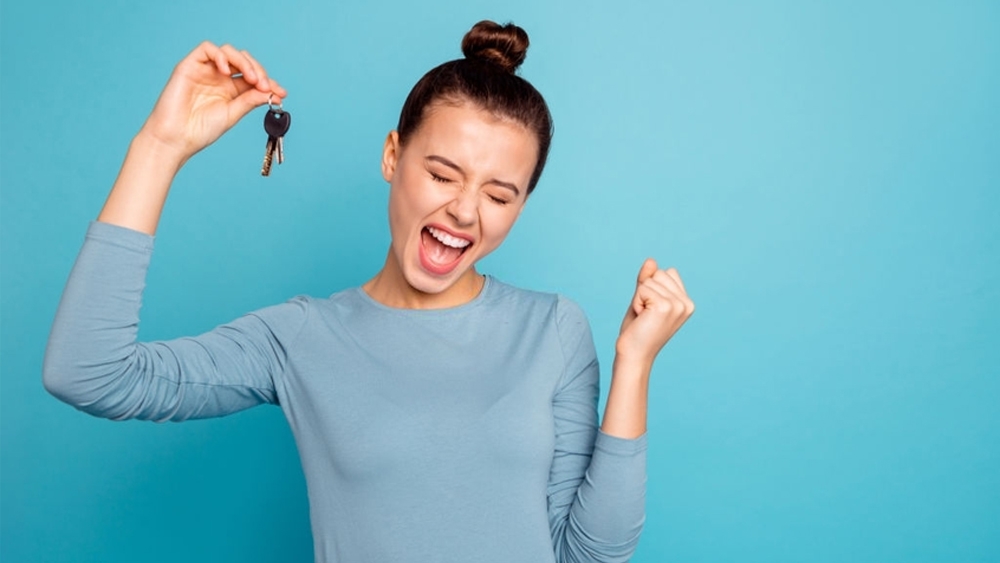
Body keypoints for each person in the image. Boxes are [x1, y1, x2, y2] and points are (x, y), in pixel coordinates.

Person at [43, 20, 695, 563]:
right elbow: (89, 373)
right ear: (393, 156)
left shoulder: (553, 328)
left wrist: (634, 363)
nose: (466, 211)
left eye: (499, 194)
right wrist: (159, 147)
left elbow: (591, 554)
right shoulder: (300, 338)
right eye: (443, 174)